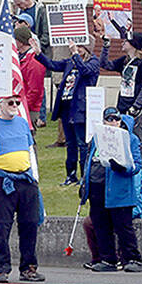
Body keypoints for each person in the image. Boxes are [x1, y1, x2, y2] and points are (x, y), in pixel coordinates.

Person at [0, 95, 45, 283]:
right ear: (0, 105)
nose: (15, 106)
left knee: (30, 225)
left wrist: (35, 178)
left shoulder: (23, 124)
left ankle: (29, 268)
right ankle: (2, 269)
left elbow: (30, 151)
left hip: (26, 179)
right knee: (2, 225)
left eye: (17, 102)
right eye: (11, 103)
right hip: (3, 180)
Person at [79, 107, 142, 273]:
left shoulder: (130, 139)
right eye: (109, 119)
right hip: (97, 186)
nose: (113, 122)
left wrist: (124, 168)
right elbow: (88, 161)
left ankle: (132, 258)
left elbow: (137, 164)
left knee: (123, 226)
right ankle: (107, 259)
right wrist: (84, 184)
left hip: (118, 188)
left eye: (116, 119)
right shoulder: (96, 138)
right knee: (101, 225)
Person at [36, 40, 101, 185]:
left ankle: (85, 176)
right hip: (67, 108)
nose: (76, 48)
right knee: (70, 143)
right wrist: (39, 53)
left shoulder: (93, 62)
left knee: (82, 143)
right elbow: (53, 65)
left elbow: (84, 71)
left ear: (87, 48)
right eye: (76, 46)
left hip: (80, 108)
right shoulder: (71, 61)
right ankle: (71, 175)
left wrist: (76, 54)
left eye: (80, 46)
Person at [100, 32, 142, 147]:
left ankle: (140, 165)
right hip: (123, 105)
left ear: (133, 44)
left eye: (126, 41)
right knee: (121, 139)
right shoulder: (125, 60)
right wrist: (106, 45)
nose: (123, 42)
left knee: (136, 140)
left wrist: (136, 106)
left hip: (136, 109)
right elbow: (104, 64)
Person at [13, 25, 45, 126]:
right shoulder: (19, 57)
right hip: (19, 103)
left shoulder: (34, 61)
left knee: (26, 136)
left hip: (27, 107)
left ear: (21, 42)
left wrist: (23, 106)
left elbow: (35, 89)